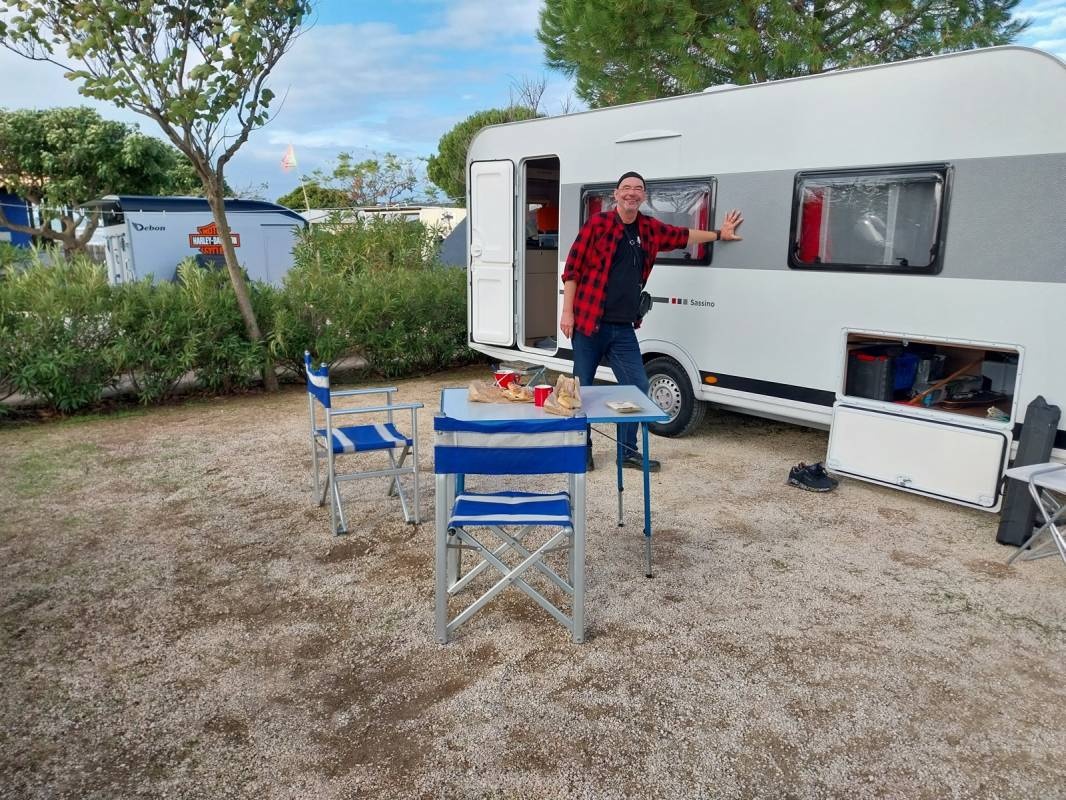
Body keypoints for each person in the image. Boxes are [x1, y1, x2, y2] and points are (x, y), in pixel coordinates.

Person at [560, 170, 744, 471]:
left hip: (622, 328)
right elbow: (572, 270)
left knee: (637, 387)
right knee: (581, 391)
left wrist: (719, 234)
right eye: (626, 188)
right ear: (616, 194)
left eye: (637, 188)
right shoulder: (598, 224)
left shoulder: (649, 229)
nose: (631, 193)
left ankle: (626, 452)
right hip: (588, 323)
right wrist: (567, 312)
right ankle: (581, 450)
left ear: (643, 196)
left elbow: (683, 235)